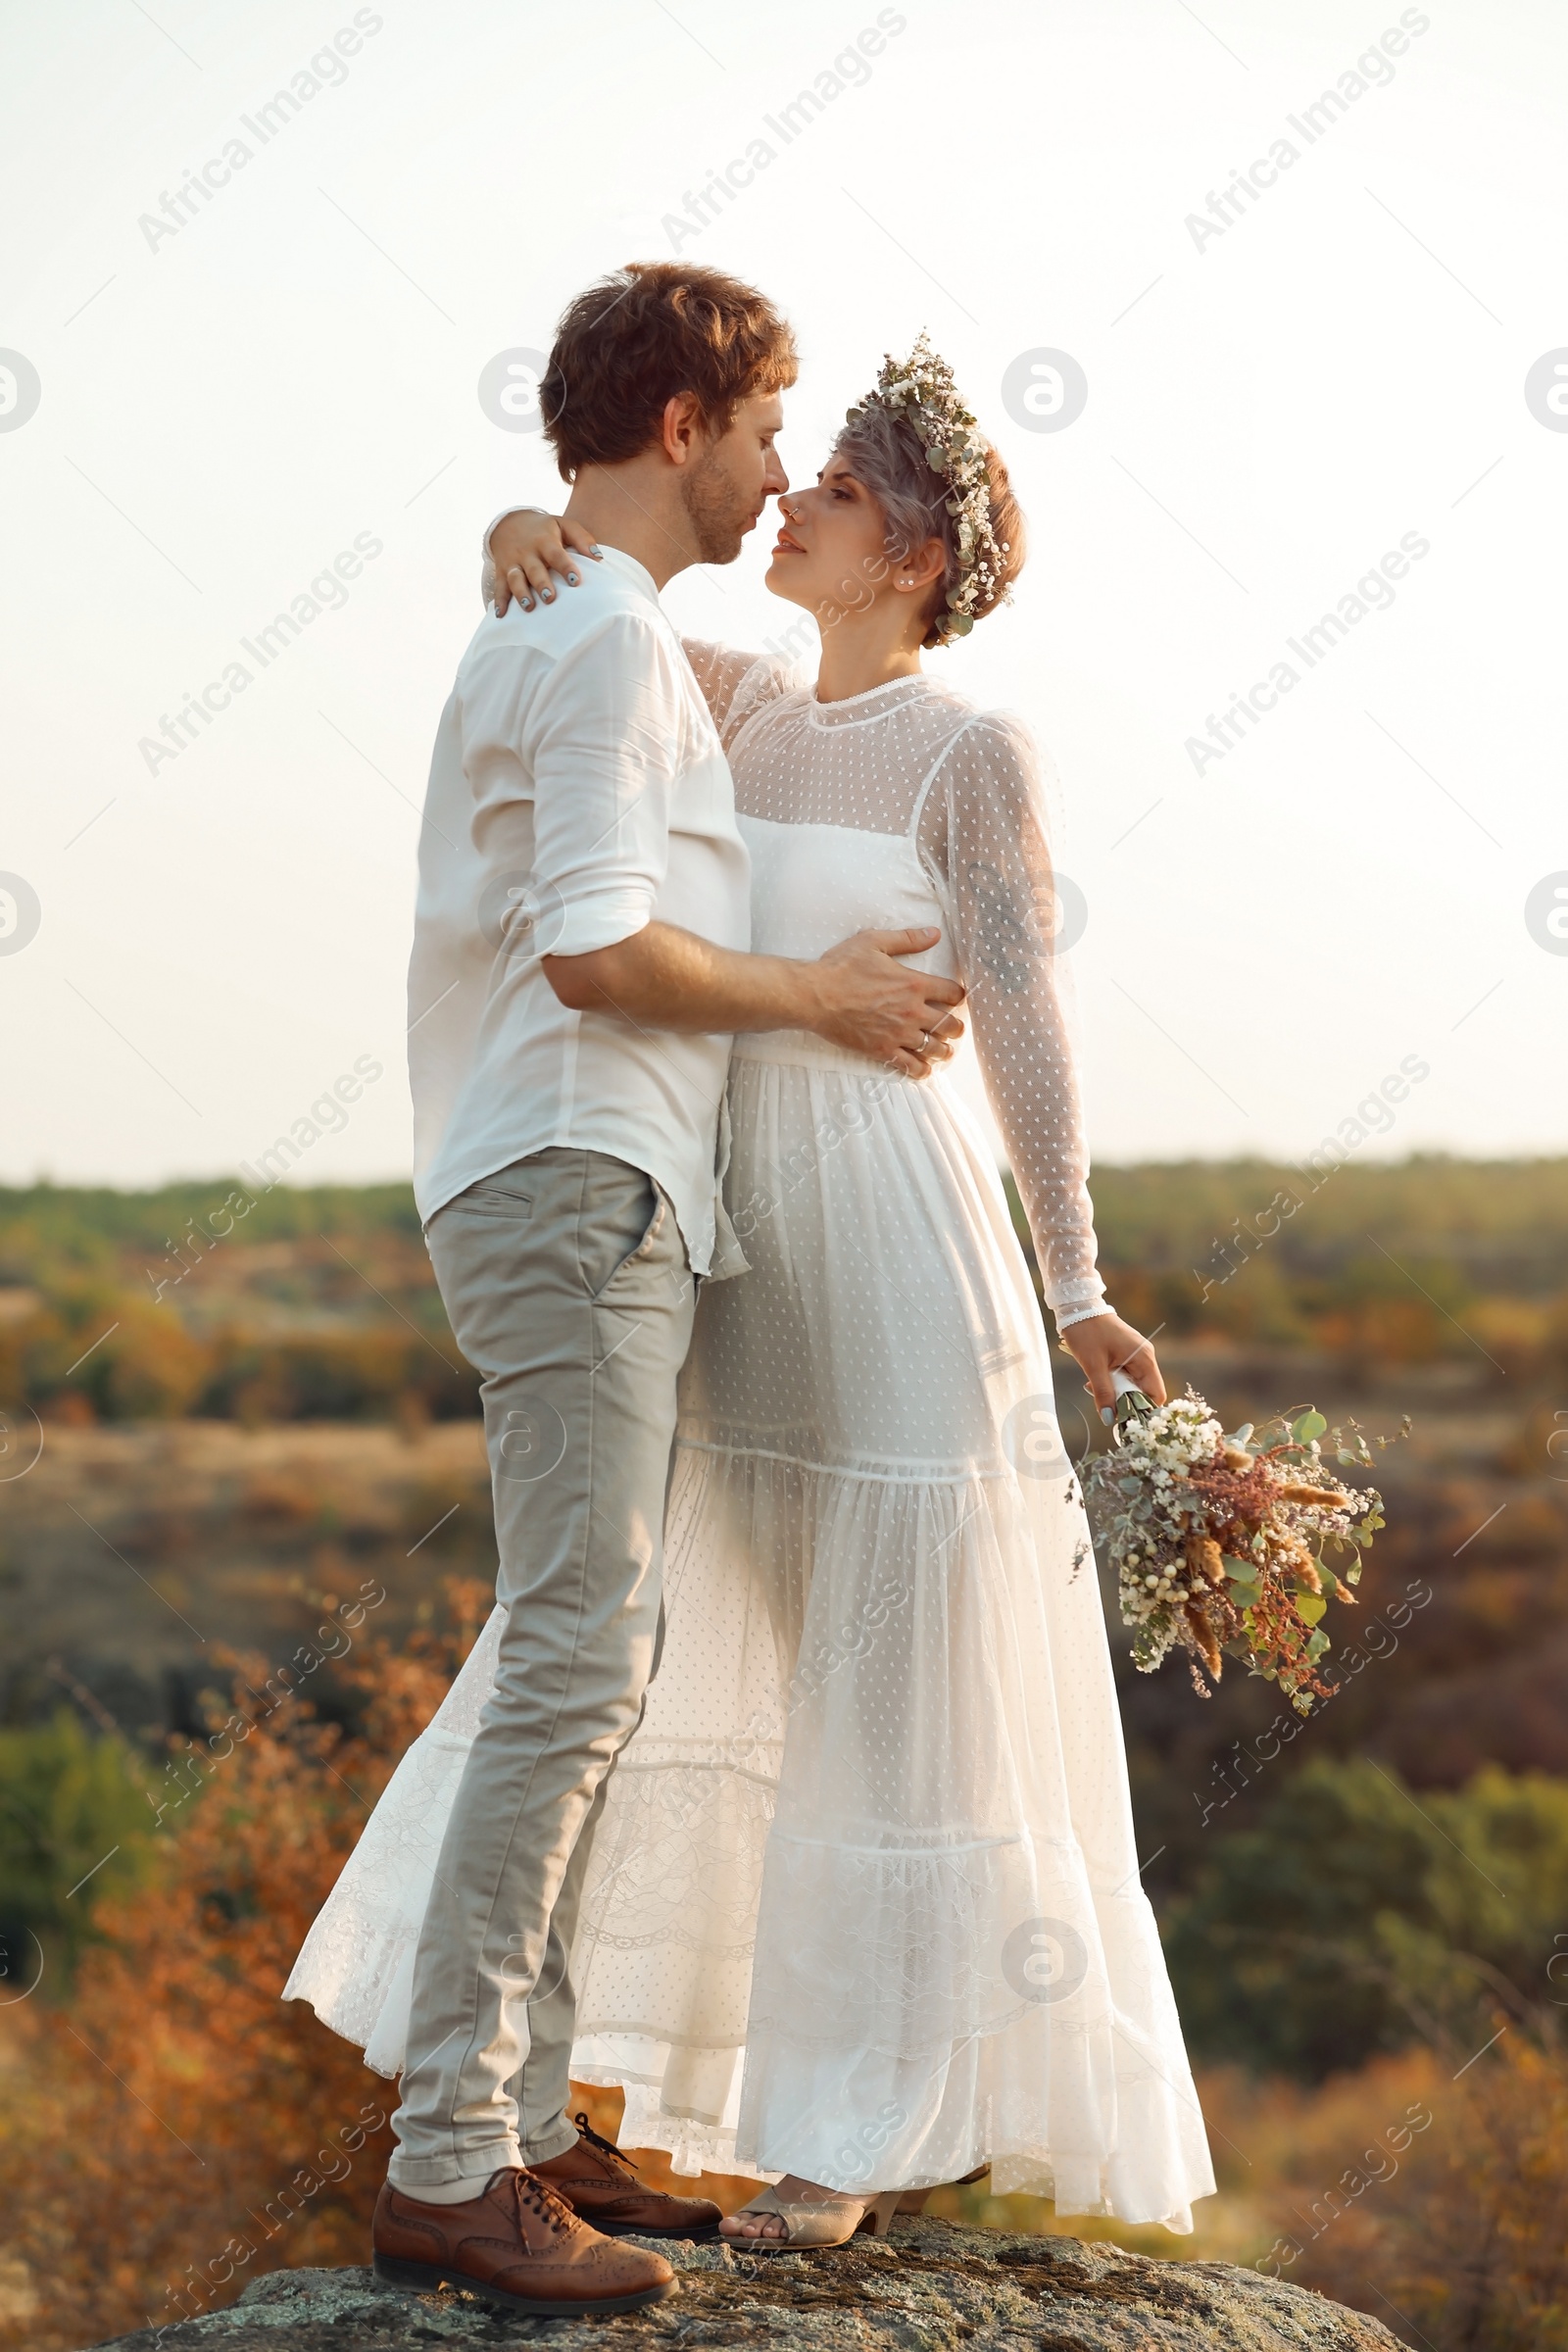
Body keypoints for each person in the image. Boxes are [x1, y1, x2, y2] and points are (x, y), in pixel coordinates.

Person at [290, 325, 1215, 2259]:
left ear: (923, 556)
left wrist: (1074, 1286)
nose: (790, 498)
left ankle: (855, 2132)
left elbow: (1023, 1022)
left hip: (890, 1231)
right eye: (798, 468)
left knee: (891, 1689)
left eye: (842, 491)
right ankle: (561, 2108)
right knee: (677, 1649)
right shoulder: (739, 699)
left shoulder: (972, 750)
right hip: (724, 1237)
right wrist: (514, 523)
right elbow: (598, 616)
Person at [308, 264, 969, 2324]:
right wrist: (822, 999)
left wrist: (528, 528)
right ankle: (451, 2167)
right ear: (682, 425)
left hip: (594, 1180)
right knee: (585, 1649)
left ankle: (521, 2125)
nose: (782, 471)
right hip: (576, 1170)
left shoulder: (584, 617)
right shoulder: (596, 644)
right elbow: (599, 950)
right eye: (765, 429)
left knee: (585, 1640)